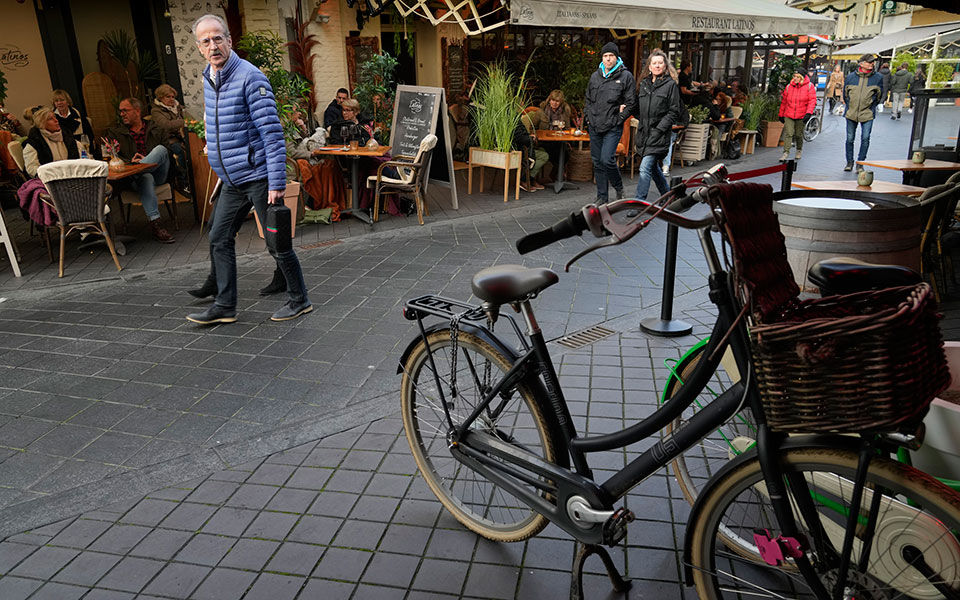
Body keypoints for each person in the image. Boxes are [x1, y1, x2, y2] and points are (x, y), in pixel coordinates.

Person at [188, 14, 310, 325]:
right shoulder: (209, 77)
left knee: (276, 242)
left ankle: (300, 299)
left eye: (218, 38)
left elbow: (271, 133)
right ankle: (224, 306)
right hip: (232, 179)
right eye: (206, 41)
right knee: (218, 236)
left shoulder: (249, 77)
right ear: (199, 47)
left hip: (258, 177)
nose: (213, 45)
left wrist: (277, 181)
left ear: (229, 40)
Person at [106, 97, 176, 243]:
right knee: (146, 177)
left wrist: (147, 159)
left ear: (137, 111)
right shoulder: (116, 132)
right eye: (120, 111)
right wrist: (130, 162)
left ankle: (141, 167)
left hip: (158, 172)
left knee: (160, 149)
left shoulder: (156, 128)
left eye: (125, 110)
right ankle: (156, 224)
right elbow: (113, 157)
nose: (122, 114)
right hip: (134, 178)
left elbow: (168, 153)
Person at [584, 41, 635, 204]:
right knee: (598, 162)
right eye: (605, 56)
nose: (608, 59)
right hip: (595, 125)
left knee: (607, 159)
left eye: (611, 56)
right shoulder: (595, 76)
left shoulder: (625, 76)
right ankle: (602, 197)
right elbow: (588, 99)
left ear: (616, 57)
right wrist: (588, 118)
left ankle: (619, 187)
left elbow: (631, 102)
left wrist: (620, 119)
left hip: (613, 126)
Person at [632, 49, 679, 202]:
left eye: (660, 63)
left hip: (659, 135)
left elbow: (673, 112)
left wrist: (659, 129)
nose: (657, 66)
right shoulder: (644, 84)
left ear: (665, 66)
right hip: (644, 134)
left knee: (644, 168)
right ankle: (667, 195)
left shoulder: (670, 85)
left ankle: (640, 202)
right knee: (653, 168)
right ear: (649, 67)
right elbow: (637, 107)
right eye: (654, 63)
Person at [151, 84, 196, 194]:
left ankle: (194, 182)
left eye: (172, 97)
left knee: (195, 150)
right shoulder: (156, 111)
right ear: (160, 98)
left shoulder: (179, 107)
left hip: (182, 137)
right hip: (168, 140)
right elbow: (166, 125)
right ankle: (183, 183)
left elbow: (192, 119)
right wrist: (184, 122)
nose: (171, 99)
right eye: (168, 97)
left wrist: (188, 121)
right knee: (180, 152)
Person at [842, 54, 883, 172]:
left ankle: (860, 163)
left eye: (873, 62)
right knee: (850, 139)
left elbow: (879, 95)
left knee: (865, 138)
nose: (872, 64)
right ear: (861, 63)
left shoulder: (877, 77)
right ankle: (849, 162)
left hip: (867, 113)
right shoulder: (850, 77)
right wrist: (849, 106)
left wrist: (871, 106)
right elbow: (846, 94)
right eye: (869, 62)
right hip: (851, 112)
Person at [21, 106, 83, 177]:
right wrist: (51, 176)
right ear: (42, 124)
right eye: (50, 119)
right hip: (48, 180)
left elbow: (82, 157)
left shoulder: (67, 136)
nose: (56, 120)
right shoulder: (34, 142)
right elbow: (31, 169)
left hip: (72, 175)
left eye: (55, 117)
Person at [778, 70, 816, 162]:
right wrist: (781, 114)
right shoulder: (788, 87)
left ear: (802, 77)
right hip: (789, 113)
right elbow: (784, 102)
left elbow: (812, 101)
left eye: (797, 76)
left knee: (798, 134)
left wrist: (808, 113)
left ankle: (799, 149)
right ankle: (785, 152)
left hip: (802, 114)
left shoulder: (809, 87)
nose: (795, 78)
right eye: (794, 76)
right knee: (789, 133)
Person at [51, 89, 96, 154]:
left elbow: (89, 136)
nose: (59, 103)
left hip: (81, 151)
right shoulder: (51, 119)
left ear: (68, 102)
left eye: (62, 100)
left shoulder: (78, 115)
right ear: (54, 103)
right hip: (62, 152)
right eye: (56, 101)